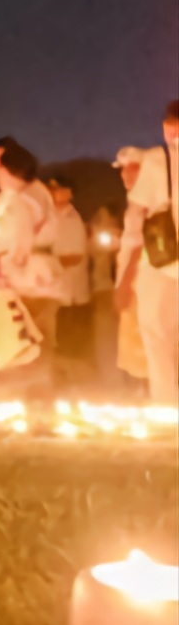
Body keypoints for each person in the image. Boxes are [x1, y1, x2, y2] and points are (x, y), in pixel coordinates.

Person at [0, 138, 64, 397]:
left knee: (23, 342)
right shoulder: (33, 193)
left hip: (26, 279)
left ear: (8, 168)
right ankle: (29, 398)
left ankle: (19, 399)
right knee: (36, 342)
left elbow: (16, 246)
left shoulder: (20, 199)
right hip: (42, 276)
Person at [120, 101, 179, 405]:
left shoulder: (157, 160)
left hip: (161, 259)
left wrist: (125, 277)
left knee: (158, 336)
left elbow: (138, 214)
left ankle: (167, 406)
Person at [46, 175, 92, 387]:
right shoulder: (49, 216)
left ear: (69, 193)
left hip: (70, 293)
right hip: (52, 291)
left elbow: (75, 256)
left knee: (68, 343)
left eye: (60, 190)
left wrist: (47, 261)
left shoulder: (73, 219)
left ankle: (73, 386)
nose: (54, 193)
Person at [88, 205, 125, 392]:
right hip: (103, 290)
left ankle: (124, 381)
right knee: (105, 337)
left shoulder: (126, 235)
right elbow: (90, 254)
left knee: (123, 338)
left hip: (123, 289)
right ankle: (109, 379)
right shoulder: (97, 239)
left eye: (108, 219)